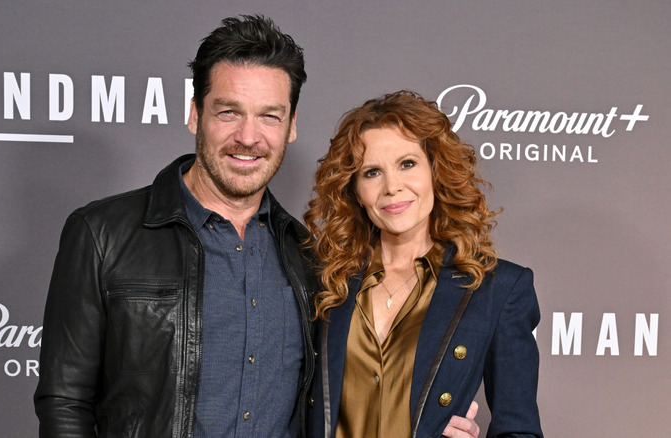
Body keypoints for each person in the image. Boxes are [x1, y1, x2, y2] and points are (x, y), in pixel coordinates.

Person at [34, 15, 480, 438]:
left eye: (269, 116)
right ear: (195, 114)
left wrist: (431, 427)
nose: (249, 137)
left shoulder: (311, 258)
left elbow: (350, 398)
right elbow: (65, 402)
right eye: (229, 112)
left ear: (290, 126)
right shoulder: (103, 234)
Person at [304, 90, 543, 437]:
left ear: (435, 171)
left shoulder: (497, 289)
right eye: (372, 172)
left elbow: (520, 430)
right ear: (355, 190)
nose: (392, 187)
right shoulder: (322, 280)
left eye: (407, 164)